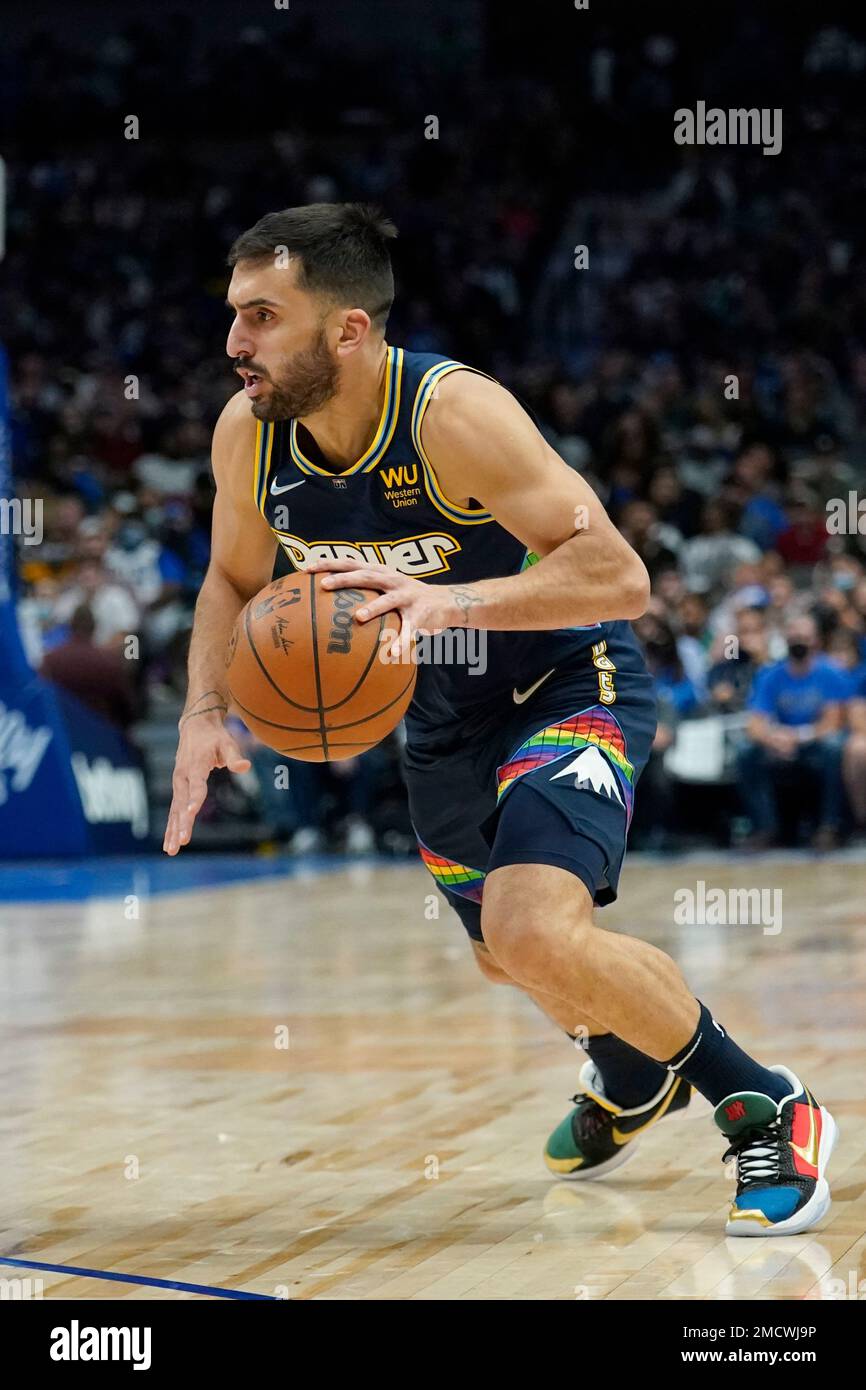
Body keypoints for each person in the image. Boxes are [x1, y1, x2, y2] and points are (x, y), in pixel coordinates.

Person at [163, 203, 836, 1237]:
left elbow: (619, 575)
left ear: (347, 329)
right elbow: (228, 576)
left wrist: (459, 601)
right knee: (502, 952)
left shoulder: (449, 414)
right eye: (233, 314)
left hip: (567, 677)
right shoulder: (247, 436)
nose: (232, 343)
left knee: (532, 925)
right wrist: (203, 714)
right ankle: (624, 1063)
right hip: (437, 712)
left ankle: (763, 1104)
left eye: (259, 316)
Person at [737, 614, 849, 849]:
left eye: (804, 637)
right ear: (786, 640)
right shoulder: (770, 675)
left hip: (814, 743)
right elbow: (755, 725)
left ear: (816, 641)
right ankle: (765, 827)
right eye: (794, 637)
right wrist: (773, 739)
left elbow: (833, 722)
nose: (799, 642)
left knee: (834, 746)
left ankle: (829, 827)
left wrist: (796, 737)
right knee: (745, 751)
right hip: (779, 743)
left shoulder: (831, 673)